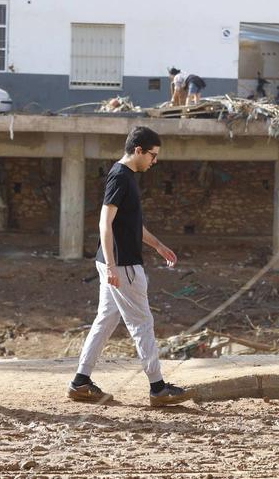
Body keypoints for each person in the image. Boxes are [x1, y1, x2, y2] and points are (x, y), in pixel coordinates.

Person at [68, 126, 193, 407]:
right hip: (122, 265)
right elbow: (105, 222)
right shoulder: (121, 177)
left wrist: (158, 245)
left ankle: (80, 382)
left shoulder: (126, 177)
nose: (154, 161)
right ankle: (158, 388)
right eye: (152, 155)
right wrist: (113, 266)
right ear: (138, 150)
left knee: (105, 321)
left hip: (115, 263)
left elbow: (131, 224)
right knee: (142, 323)